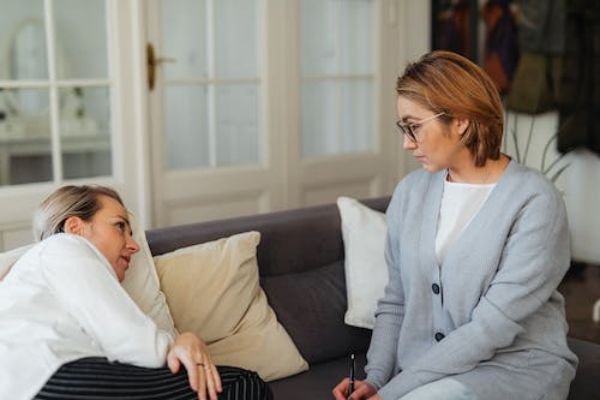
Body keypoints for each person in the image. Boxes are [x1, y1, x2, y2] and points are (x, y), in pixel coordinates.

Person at [333, 50, 577, 400]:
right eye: (403, 128)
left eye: (414, 126)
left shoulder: (535, 201)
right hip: (424, 375)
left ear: (460, 120)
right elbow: (396, 301)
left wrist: (392, 393)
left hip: (513, 369)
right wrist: (375, 380)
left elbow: (490, 327)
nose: (407, 143)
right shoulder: (410, 192)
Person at [0, 185, 272, 400]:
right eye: (120, 226)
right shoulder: (65, 246)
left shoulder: (45, 280)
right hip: (45, 375)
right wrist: (180, 343)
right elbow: (137, 346)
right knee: (243, 384)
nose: (134, 245)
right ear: (75, 227)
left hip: (36, 382)